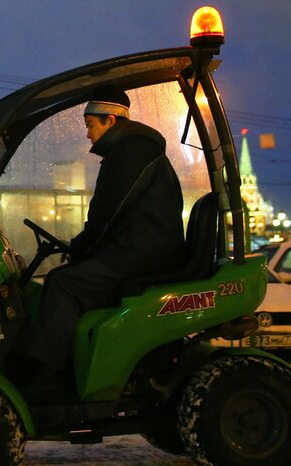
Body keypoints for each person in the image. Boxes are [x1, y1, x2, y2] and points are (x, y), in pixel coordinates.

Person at [19, 85, 186, 401]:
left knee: (62, 283)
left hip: (141, 253)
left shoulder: (132, 150)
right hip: (142, 247)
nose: (87, 134)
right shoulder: (131, 149)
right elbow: (111, 215)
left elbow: (109, 212)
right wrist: (83, 246)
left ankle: (45, 380)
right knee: (65, 277)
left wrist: (83, 246)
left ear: (110, 120)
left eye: (90, 125)